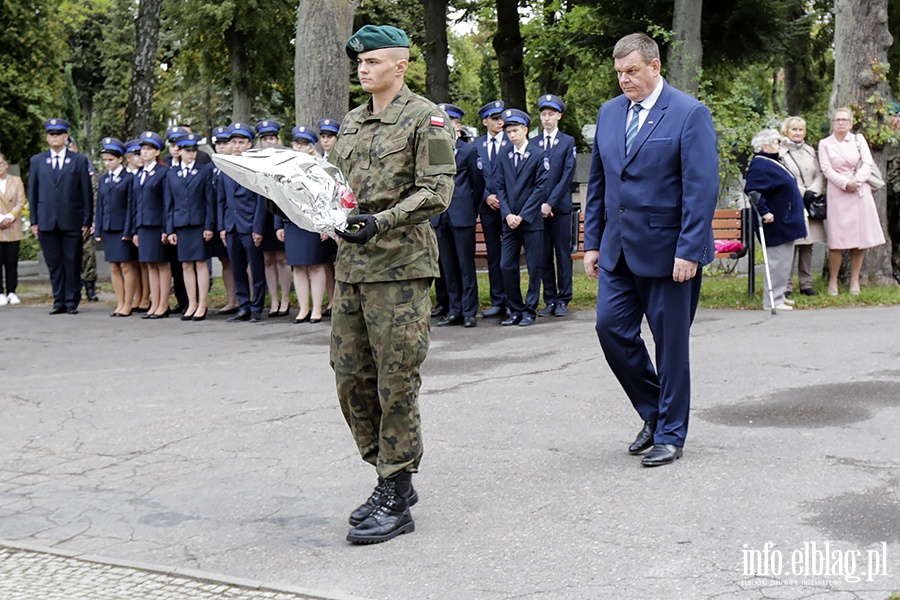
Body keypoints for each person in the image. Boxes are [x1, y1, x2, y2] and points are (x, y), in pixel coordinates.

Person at [328, 24, 455, 544]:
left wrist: (381, 221)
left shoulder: (426, 117)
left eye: (374, 60)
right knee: (349, 375)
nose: (364, 68)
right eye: (359, 61)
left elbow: (438, 190)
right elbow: (335, 188)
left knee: (395, 377)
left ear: (400, 66)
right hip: (352, 269)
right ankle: (388, 473)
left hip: (400, 269)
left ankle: (396, 488)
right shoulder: (353, 122)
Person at [583, 33, 718, 467]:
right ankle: (655, 411)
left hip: (669, 253)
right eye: (619, 73)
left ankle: (671, 435)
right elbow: (600, 184)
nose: (625, 80)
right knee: (611, 330)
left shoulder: (688, 113)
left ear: (655, 66)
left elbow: (701, 188)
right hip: (617, 249)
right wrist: (591, 243)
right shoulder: (609, 113)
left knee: (670, 345)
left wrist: (690, 249)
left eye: (632, 71)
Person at [817, 107, 886, 295]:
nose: (841, 123)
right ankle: (833, 281)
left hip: (859, 191)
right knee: (837, 240)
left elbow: (868, 163)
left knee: (859, 239)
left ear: (851, 123)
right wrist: (845, 183)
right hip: (838, 192)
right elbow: (826, 168)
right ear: (833, 122)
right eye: (838, 119)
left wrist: (857, 181)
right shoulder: (825, 143)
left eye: (845, 120)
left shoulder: (858, 140)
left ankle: (855, 280)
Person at [28, 118, 94, 314]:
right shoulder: (37, 161)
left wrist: (86, 220)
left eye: (58, 134)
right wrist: (34, 221)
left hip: (71, 220)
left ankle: (72, 300)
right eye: (51, 134)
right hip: (47, 220)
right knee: (54, 263)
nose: (55, 137)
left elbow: (86, 194)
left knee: (72, 261)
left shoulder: (79, 160)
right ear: (47, 138)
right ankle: (59, 300)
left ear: (66, 137)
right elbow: (33, 192)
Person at [744, 129, 808, 311]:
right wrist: (764, 211)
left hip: (785, 219)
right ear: (765, 146)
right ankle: (772, 300)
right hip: (775, 221)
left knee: (784, 261)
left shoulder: (772, 161)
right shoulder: (760, 164)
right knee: (777, 262)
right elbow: (753, 190)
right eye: (775, 143)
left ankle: (779, 295)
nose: (778, 146)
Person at [433, 102, 484, 328]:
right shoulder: (434, 149)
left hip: (462, 215)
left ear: (458, 127)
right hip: (440, 216)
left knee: (465, 265)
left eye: (449, 123)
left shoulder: (468, 150)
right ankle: (454, 310)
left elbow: (478, 184)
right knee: (447, 266)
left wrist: (468, 208)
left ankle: (470, 311)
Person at [277, 126, 334, 324]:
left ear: (311, 147)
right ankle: (303, 309)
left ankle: (317, 308)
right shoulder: (286, 168)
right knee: (298, 268)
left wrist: (326, 226)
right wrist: (279, 225)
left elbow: (326, 198)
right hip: (292, 223)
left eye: (303, 144)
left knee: (316, 266)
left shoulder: (318, 167)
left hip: (313, 223)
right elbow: (279, 197)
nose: (299, 147)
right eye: (296, 144)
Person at [496, 108, 547, 327]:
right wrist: (507, 214)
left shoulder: (537, 154)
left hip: (530, 221)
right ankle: (515, 309)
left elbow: (540, 187)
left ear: (525, 130)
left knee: (534, 266)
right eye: (508, 132)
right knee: (506, 265)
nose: (512, 135)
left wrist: (523, 215)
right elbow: (499, 187)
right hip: (509, 222)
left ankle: (530, 310)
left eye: (515, 131)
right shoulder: (504, 155)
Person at [217, 122, 267, 322]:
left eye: (241, 142)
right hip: (231, 226)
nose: (237, 146)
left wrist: (257, 227)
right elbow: (222, 200)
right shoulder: (226, 167)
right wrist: (222, 226)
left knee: (256, 269)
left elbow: (260, 201)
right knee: (237, 268)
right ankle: (243, 305)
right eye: (234, 142)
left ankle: (257, 307)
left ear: (249, 144)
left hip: (249, 225)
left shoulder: (255, 168)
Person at [533, 94, 577, 317]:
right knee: (543, 256)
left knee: (562, 254)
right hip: (538, 209)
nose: (547, 118)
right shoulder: (533, 143)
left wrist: (550, 203)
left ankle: (564, 298)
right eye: (543, 114)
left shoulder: (567, 142)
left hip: (559, 208)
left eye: (551, 114)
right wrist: (540, 203)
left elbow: (567, 175)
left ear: (559, 116)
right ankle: (549, 298)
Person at [164, 133, 215, 321]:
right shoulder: (172, 173)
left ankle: (202, 303)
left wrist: (209, 225)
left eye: (194, 150)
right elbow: (168, 204)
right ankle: (191, 302)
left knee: (201, 263)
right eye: (187, 150)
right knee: (186, 264)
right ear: (179, 152)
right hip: (181, 224)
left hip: (199, 223)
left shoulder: (204, 171)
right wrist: (169, 229)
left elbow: (209, 200)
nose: (191, 154)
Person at [779, 116, 825, 297]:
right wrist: (801, 191)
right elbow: (783, 176)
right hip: (791, 202)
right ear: (786, 131)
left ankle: (806, 284)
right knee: (793, 244)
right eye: (794, 129)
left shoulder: (810, 151)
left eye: (801, 130)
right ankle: (787, 286)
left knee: (808, 245)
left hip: (810, 201)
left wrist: (813, 191)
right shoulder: (781, 152)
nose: (798, 133)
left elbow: (819, 173)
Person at [129, 131, 172, 319]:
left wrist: (166, 228)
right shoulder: (139, 174)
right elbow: (136, 203)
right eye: (142, 149)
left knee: (161, 264)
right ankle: (154, 303)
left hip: (157, 225)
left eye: (148, 149)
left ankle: (163, 303)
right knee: (150, 265)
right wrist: (135, 229)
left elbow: (167, 202)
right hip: (143, 225)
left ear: (157, 152)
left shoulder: (164, 172)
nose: (144, 152)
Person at [94, 137, 138, 317]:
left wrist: (129, 230)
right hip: (109, 227)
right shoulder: (103, 180)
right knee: (114, 267)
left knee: (126, 266)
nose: (107, 163)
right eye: (105, 160)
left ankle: (128, 303)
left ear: (120, 159)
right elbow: (100, 206)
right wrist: (98, 229)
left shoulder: (129, 178)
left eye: (111, 160)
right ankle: (119, 303)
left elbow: (131, 206)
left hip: (122, 228)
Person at [473, 100, 509, 318]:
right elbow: (476, 177)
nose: (499, 122)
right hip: (487, 207)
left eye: (501, 118)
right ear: (485, 122)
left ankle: (512, 299)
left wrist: (502, 200)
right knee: (493, 254)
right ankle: (497, 300)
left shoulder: (511, 142)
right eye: (494, 119)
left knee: (510, 256)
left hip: (508, 208)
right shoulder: (477, 145)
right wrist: (486, 197)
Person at [256, 119, 292, 317]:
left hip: (279, 214)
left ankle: (286, 298)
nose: (268, 142)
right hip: (262, 214)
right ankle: (274, 300)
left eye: (271, 138)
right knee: (268, 259)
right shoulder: (255, 160)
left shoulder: (285, 159)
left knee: (282, 258)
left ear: (278, 139)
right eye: (264, 139)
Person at [209, 125, 240, 314]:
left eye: (225, 143)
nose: (221, 147)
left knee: (240, 261)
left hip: (237, 221)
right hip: (219, 221)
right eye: (218, 144)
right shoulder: (211, 168)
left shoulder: (236, 166)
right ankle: (232, 300)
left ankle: (246, 299)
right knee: (225, 261)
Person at [65, 137, 100, 303]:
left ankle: (90, 287)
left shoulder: (84, 164)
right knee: (70, 256)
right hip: (67, 219)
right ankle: (73, 287)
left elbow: (94, 195)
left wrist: (93, 220)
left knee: (88, 254)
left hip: (85, 218)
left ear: (75, 147)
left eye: (70, 147)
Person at [124, 138, 152, 313]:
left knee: (144, 262)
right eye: (136, 154)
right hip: (126, 224)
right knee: (132, 262)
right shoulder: (126, 176)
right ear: (128, 157)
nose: (140, 157)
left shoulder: (146, 174)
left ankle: (145, 297)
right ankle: (137, 295)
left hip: (142, 223)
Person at [0, 151, 25, 307]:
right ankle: (0, 292)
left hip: (13, 226)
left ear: (6, 164)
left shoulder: (16, 181)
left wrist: (10, 216)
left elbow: (20, 201)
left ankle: (12, 291)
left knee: (11, 262)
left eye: (1, 163)